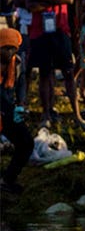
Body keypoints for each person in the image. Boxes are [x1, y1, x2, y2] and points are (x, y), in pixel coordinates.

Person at [26, 0, 81, 125]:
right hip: (39, 32)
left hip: (60, 30)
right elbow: (30, 6)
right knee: (44, 72)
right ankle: (46, 113)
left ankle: (77, 114)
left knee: (67, 71)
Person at [0, 29, 34, 196]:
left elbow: (21, 84)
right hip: (4, 109)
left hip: (8, 109)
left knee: (26, 143)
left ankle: (7, 180)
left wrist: (21, 104)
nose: (10, 52)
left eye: (13, 48)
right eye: (6, 48)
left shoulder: (18, 63)